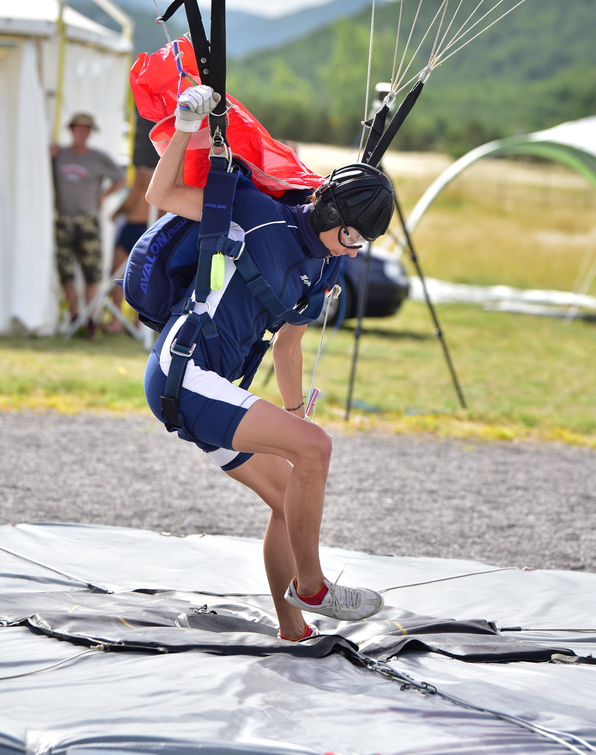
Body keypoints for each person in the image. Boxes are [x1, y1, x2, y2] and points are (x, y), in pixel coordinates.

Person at [144, 84, 395, 640]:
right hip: (184, 370)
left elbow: (288, 344)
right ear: (330, 210)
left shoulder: (326, 265)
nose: (355, 250)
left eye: (366, 243)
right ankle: (312, 587)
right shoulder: (254, 214)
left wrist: (291, 411)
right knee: (318, 449)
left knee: (290, 494)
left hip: (212, 388)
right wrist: (187, 122)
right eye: (352, 234)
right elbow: (162, 195)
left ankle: (294, 627)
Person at [51, 113, 127, 338]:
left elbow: (121, 178)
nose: (82, 133)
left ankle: (92, 321)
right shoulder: (60, 154)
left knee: (91, 274)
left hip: (88, 222)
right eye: (78, 129)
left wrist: (104, 194)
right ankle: (75, 318)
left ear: (90, 133)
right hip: (63, 221)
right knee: (65, 274)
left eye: (86, 130)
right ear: (72, 130)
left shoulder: (98, 157)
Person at [105, 115, 160, 334]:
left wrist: (115, 212)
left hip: (135, 226)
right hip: (156, 229)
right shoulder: (173, 172)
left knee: (118, 274)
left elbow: (132, 201)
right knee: (148, 277)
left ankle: (116, 321)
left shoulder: (143, 173)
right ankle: (140, 323)